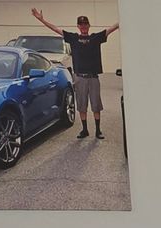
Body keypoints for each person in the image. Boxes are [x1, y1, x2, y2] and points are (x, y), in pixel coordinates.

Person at [29, 7, 120, 139]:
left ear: (89, 25)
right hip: (80, 78)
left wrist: (122, 19)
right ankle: (84, 130)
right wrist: (42, 20)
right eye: (81, 24)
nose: (83, 27)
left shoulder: (95, 38)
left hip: (93, 77)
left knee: (96, 105)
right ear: (78, 26)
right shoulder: (73, 38)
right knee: (82, 105)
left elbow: (111, 29)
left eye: (85, 24)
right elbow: (55, 29)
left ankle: (98, 130)